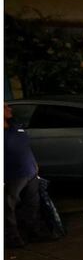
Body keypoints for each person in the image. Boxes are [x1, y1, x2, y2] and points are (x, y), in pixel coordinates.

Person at [4, 103, 43, 246]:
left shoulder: (16, 126)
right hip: (11, 175)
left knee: (32, 204)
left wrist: (34, 163)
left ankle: (33, 232)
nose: (9, 109)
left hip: (30, 172)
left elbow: (25, 146)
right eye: (5, 107)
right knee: (8, 207)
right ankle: (13, 238)